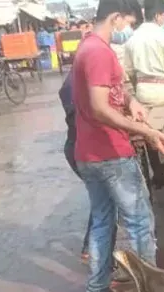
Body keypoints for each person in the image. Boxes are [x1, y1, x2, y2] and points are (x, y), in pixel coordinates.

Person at [72, 0, 164, 292]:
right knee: (140, 223)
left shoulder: (89, 48)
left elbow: (113, 92)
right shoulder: (99, 52)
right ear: (115, 18)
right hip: (111, 154)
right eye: (127, 23)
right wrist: (147, 132)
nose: (127, 29)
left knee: (103, 222)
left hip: (88, 154)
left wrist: (131, 102)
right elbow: (101, 107)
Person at [58, 73, 92, 262]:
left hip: (75, 148)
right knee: (104, 200)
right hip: (81, 150)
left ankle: (91, 249)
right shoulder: (77, 83)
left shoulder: (73, 81)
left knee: (103, 200)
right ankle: (92, 251)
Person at [124, 0, 164, 104]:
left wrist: (138, 85)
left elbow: (129, 71)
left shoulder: (132, 38)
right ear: (157, 16)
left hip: (142, 94)